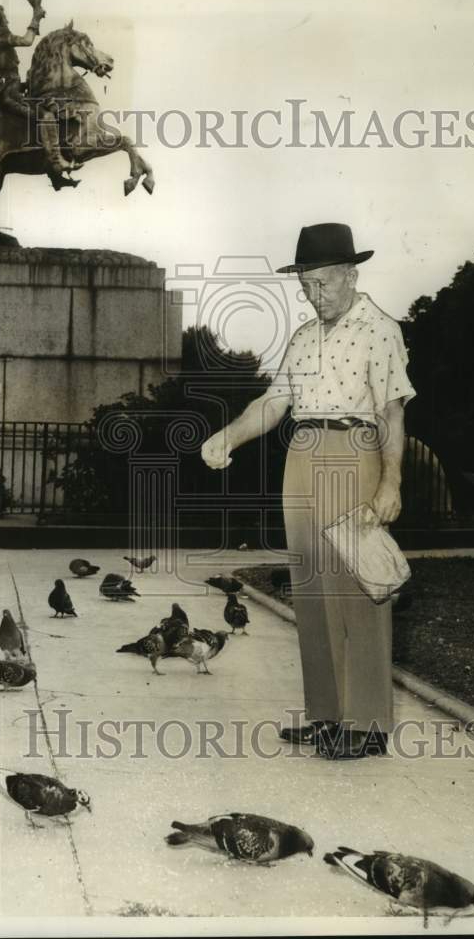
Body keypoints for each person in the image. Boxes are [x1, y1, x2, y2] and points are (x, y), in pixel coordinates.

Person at [201, 223, 415, 759]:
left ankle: (366, 725)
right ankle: (325, 716)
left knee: (359, 586)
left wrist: (391, 481)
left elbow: (392, 412)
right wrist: (228, 435)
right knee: (312, 590)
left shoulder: (379, 329)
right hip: (302, 457)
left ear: (350, 274)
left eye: (322, 284)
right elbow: (274, 405)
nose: (314, 295)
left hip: (355, 451)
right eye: (306, 286)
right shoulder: (302, 337)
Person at [0, 4, 68, 180]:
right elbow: (27, 40)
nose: (7, 20)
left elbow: (5, 75)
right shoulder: (0, 37)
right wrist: (36, 18)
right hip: (10, 97)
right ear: (0, 20)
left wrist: (25, 84)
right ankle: (56, 161)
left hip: (9, 91)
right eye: (4, 17)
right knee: (46, 116)